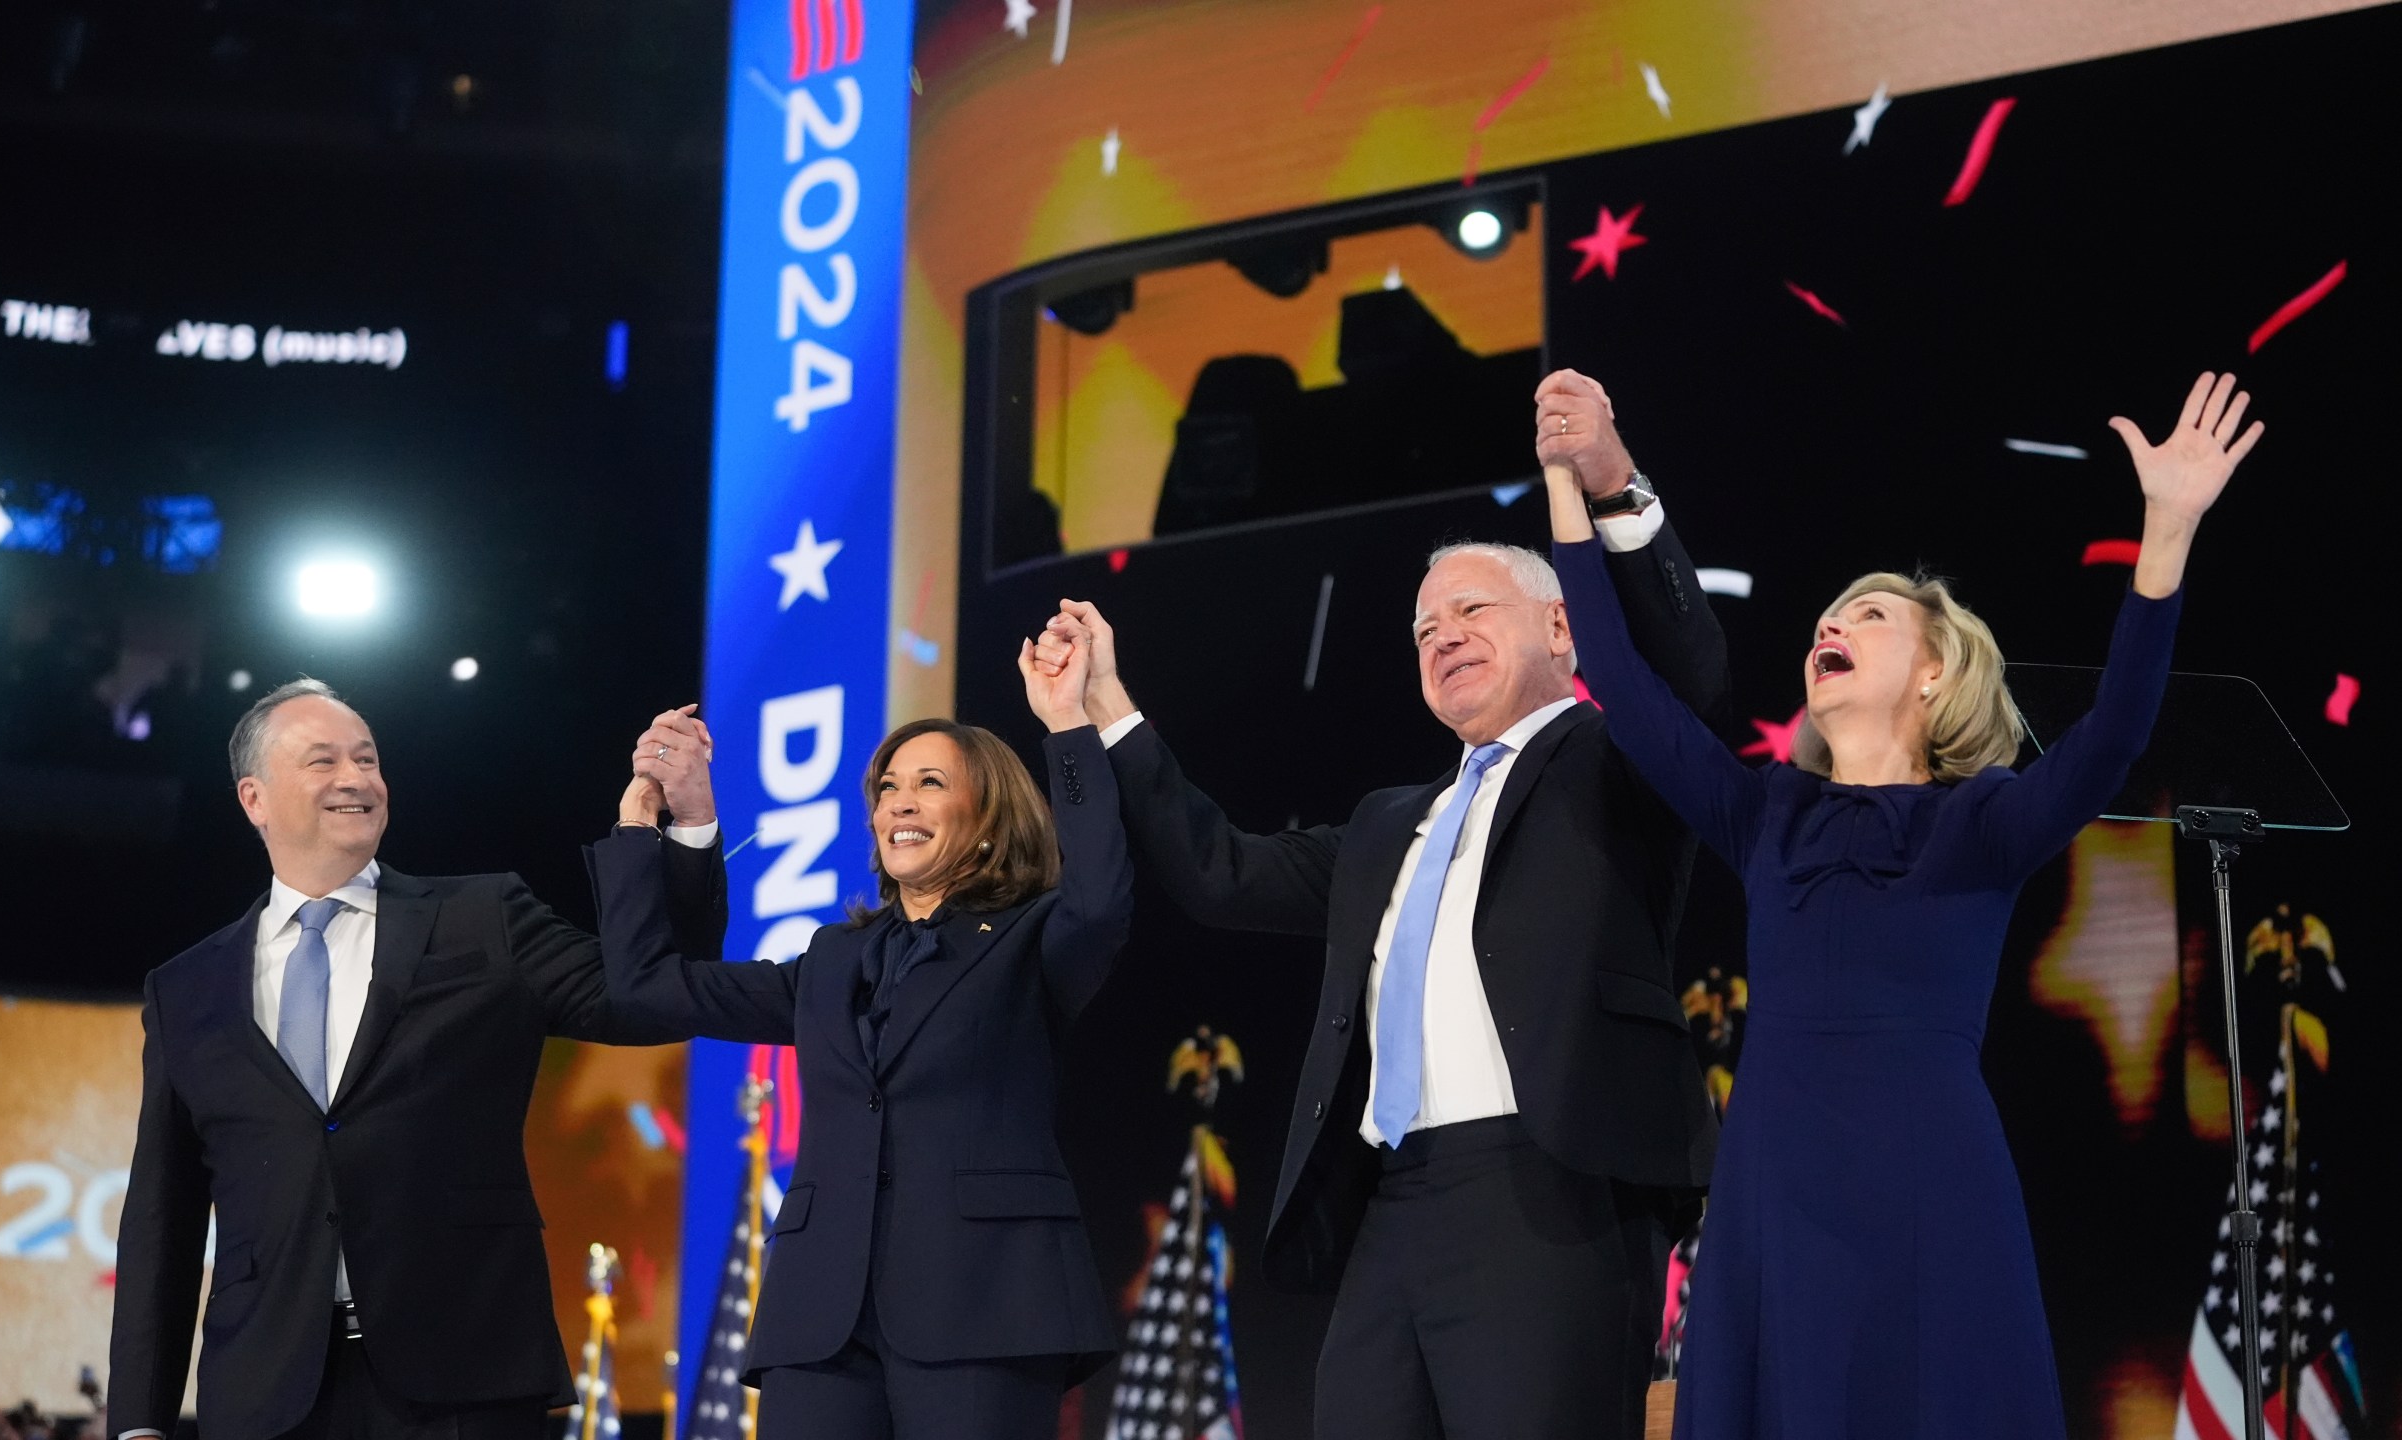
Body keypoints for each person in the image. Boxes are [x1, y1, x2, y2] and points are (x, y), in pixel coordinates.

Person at [1538, 372, 2261, 1437]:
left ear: (1932, 674)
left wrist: (2168, 528)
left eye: (1867, 616)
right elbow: (1616, 674)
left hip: (1928, 1179)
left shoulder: (1988, 824)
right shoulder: (1765, 814)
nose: (1830, 623)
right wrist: (1564, 476)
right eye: (1828, 617)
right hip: (1771, 1189)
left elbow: (2112, 737)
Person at [1031, 370, 1729, 1439]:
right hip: (1389, 1202)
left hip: (1549, 1187)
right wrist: (1107, 710)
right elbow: (1219, 873)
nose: (1439, 633)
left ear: (1561, 625)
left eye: (1469, 609)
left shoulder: (1617, 761)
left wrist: (1613, 483)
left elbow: (1679, 668)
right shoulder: (1386, 822)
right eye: (1420, 628)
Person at [108, 678, 717, 1440]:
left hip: (463, 1382)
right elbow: (161, 1218)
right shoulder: (184, 989)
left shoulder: (482, 918)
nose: (356, 778)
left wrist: (683, 826)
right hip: (266, 1396)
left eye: (368, 759)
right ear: (254, 798)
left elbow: (656, 997)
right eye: (323, 760)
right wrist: (138, 1422)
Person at [589, 633, 1131, 1439]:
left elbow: (1101, 895)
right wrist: (663, 823)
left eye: (930, 784)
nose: (899, 803)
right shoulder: (831, 961)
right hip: (822, 1323)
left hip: (986, 1309)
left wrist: (1066, 725)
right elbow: (646, 989)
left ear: (986, 819)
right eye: (888, 787)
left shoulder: (1034, 941)